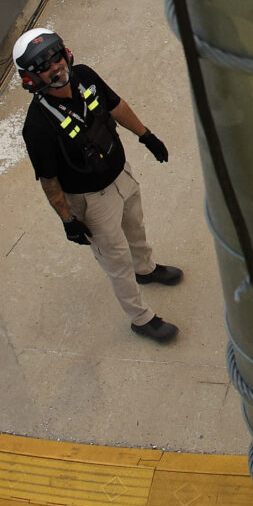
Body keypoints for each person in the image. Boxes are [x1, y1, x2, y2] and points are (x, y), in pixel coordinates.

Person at [13, 28, 182, 343]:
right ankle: (141, 319)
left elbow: (116, 106)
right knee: (116, 260)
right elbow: (49, 181)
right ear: (31, 79)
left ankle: (145, 268)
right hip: (91, 201)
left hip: (121, 176)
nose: (55, 67)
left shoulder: (85, 76)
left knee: (135, 226)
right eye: (43, 66)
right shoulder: (37, 126)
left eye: (56, 57)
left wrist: (145, 135)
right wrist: (68, 220)